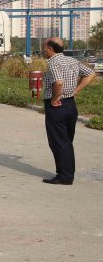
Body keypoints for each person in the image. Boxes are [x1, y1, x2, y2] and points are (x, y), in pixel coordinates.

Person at [41, 37, 95, 185]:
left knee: (58, 142)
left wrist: (54, 98)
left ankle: (64, 176)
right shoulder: (72, 61)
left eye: (44, 47)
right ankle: (67, 173)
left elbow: (58, 82)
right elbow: (90, 73)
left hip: (57, 106)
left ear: (50, 49)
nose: (43, 50)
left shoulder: (53, 62)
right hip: (71, 105)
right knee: (66, 141)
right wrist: (76, 90)